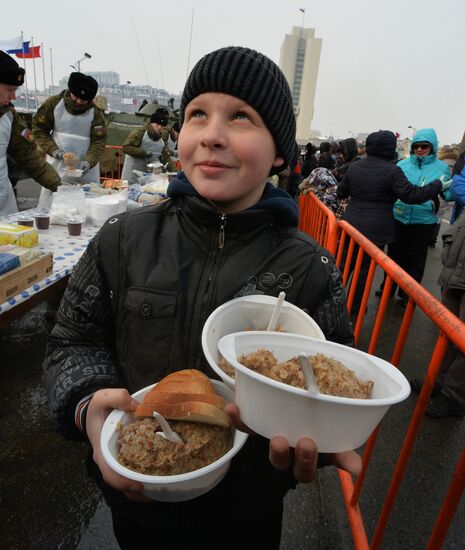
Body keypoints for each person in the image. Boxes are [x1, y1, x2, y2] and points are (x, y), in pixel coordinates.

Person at [43, 46, 361, 549]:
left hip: (247, 509)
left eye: (241, 116)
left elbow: (330, 385)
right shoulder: (120, 240)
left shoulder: (310, 266)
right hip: (139, 501)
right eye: (198, 114)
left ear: (280, 151)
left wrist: (318, 442)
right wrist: (86, 406)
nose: (213, 134)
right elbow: (72, 341)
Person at [337, 130, 451, 314]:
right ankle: (354, 309)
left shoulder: (355, 167)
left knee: (343, 263)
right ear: (390, 149)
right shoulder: (392, 171)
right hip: (375, 229)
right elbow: (412, 195)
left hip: (350, 224)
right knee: (363, 270)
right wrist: (437, 185)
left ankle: (330, 302)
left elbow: (341, 192)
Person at [388, 128, 452, 305]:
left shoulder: (442, 168)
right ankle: (388, 286)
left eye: (425, 146)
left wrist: (451, 191)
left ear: (433, 147)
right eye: (416, 146)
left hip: (423, 222)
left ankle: (407, 293)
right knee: (394, 255)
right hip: (398, 217)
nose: (420, 149)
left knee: (415, 260)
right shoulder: (402, 165)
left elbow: (447, 195)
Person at [411, 210, 465, 418]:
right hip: (455, 274)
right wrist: (449, 247)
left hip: (458, 274)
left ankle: (454, 397)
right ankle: (439, 381)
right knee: (448, 335)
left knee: (462, 343)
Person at [32, 72, 106, 207]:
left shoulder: (96, 113)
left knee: (85, 205)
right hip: (57, 165)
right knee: (52, 202)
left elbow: (99, 141)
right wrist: (55, 151)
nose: (78, 102)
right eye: (75, 97)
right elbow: (39, 130)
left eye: (83, 101)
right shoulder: (53, 104)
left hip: (85, 170)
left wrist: (89, 162)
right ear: (70, 91)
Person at [0, 51, 60, 216]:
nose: (13, 96)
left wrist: (60, 187)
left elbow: (29, 158)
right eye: (9, 89)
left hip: (4, 207)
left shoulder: (8, 115)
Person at [121, 110, 171, 185]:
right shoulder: (140, 133)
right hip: (131, 176)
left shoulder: (162, 142)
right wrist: (143, 153)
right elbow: (126, 147)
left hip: (147, 180)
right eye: (157, 124)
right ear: (151, 123)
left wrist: (175, 173)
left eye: (162, 126)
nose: (159, 127)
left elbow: (166, 159)